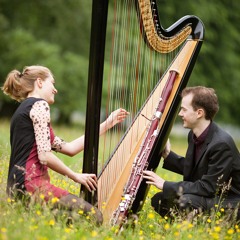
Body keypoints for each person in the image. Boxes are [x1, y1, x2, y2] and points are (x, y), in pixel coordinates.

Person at [1, 65, 129, 225]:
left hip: (16, 186)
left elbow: (70, 148)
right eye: (52, 83)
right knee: (93, 216)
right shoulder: (39, 105)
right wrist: (75, 176)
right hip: (31, 184)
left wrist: (107, 124)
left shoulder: (23, 110)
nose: (55, 89)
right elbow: (45, 156)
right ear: (39, 82)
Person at [143, 86, 240, 221]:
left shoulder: (221, 144)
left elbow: (208, 187)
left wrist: (165, 184)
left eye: (184, 109)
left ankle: (206, 230)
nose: (180, 114)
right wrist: (167, 155)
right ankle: (185, 229)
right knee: (160, 199)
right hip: (210, 196)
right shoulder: (193, 135)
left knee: (185, 201)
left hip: (230, 202)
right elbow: (195, 168)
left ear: (199, 113)